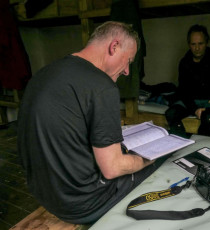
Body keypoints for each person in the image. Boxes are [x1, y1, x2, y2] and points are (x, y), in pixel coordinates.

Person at [17, 21, 167, 225]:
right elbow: (112, 169)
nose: (127, 72)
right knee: (158, 164)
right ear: (114, 47)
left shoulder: (45, 73)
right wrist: (148, 158)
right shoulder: (101, 86)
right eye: (128, 61)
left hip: (44, 193)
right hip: (82, 205)